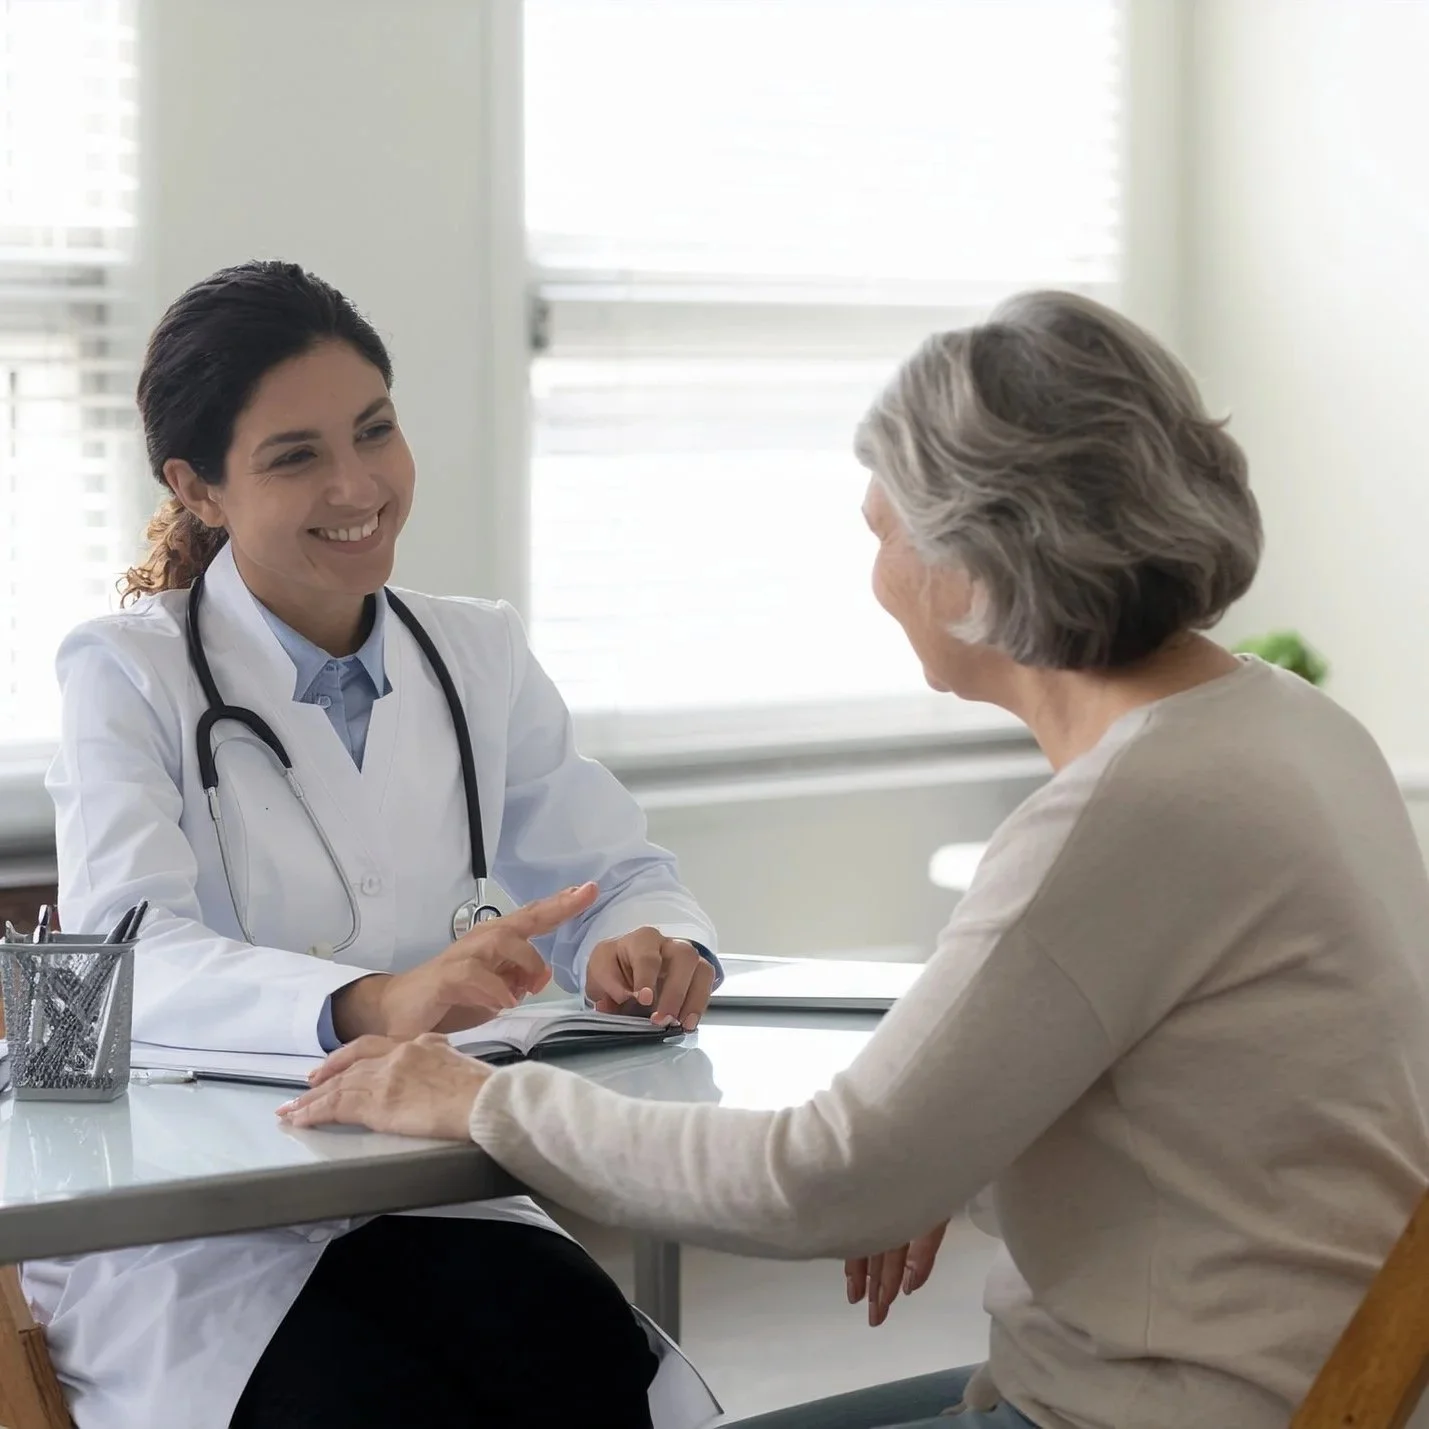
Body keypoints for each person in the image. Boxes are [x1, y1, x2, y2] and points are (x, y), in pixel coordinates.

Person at [284, 290, 1429, 1429]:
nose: (877, 571)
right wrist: (934, 1154)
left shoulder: (1132, 809)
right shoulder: (1284, 726)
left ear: (982, 560)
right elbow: (1197, 1105)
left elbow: (815, 1180)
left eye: (886, 531)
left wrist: (484, 1099)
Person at [37, 260, 722, 1429]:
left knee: (582, 1365)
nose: (358, 484)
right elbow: (131, 954)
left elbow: (616, 873)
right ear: (198, 488)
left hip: (428, 1181)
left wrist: (642, 940)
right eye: (295, 455)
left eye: (375, 430)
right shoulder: (126, 672)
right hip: (198, 1217)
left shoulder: (478, 653)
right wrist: (373, 1001)